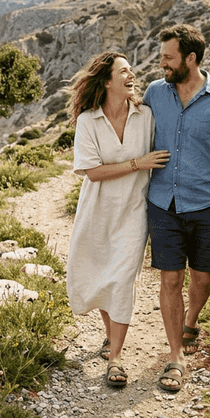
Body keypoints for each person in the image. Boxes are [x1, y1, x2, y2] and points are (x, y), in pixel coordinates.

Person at [143, 24, 210, 393]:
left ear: (191, 58)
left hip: (207, 204)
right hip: (162, 203)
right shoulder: (155, 93)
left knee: (202, 279)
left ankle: (192, 319)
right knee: (170, 279)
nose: (162, 64)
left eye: (168, 58)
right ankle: (175, 357)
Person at [66, 51, 170, 388]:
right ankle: (111, 337)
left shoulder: (146, 116)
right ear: (108, 80)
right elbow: (93, 172)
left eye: (131, 70)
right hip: (96, 211)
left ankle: (115, 358)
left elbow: (168, 149)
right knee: (100, 275)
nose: (131, 75)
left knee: (122, 279)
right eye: (123, 71)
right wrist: (138, 164)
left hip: (133, 212)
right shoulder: (88, 121)